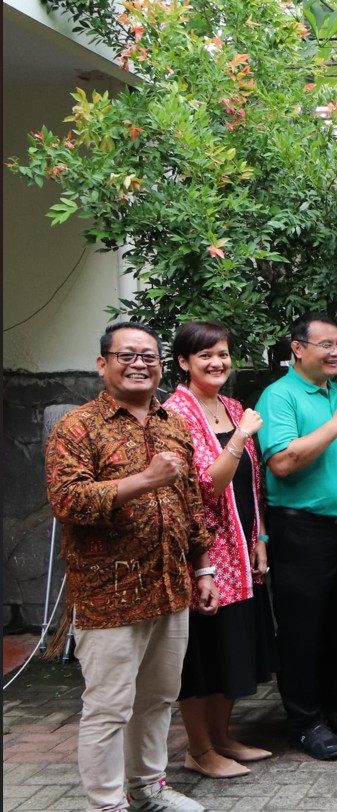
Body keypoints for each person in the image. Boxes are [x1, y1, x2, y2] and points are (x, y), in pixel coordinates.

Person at [45, 321, 216, 812]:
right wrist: (145, 479)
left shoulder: (173, 424)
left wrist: (203, 570)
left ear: (161, 365)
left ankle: (148, 789)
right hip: (108, 592)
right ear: (103, 363)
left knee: (159, 698)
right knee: (108, 707)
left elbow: (190, 506)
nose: (139, 363)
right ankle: (106, 803)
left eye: (149, 356)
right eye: (127, 355)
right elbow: (69, 500)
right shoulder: (77, 427)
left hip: (170, 585)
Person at [255, 311, 337, 760]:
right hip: (301, 529)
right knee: (302, 629)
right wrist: (336, 425)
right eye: (326, 344)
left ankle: (331, 707)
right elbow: (282, 462)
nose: (336, 352)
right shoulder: (279, 396)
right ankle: (304, 722)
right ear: (297, 348)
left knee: (336, 623)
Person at [164, 321, 275, 780]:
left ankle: (223, 737)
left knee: (233, 645)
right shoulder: (176, 413)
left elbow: (253, 483)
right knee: (203, 653)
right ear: (184, 362)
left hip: (242, 548)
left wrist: (261, 537)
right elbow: (207, 486)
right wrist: (240, 437)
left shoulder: (231, 406)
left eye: (224, 354)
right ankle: (199, 749)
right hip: (205, 553)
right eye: (206, 355)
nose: (217, 363)